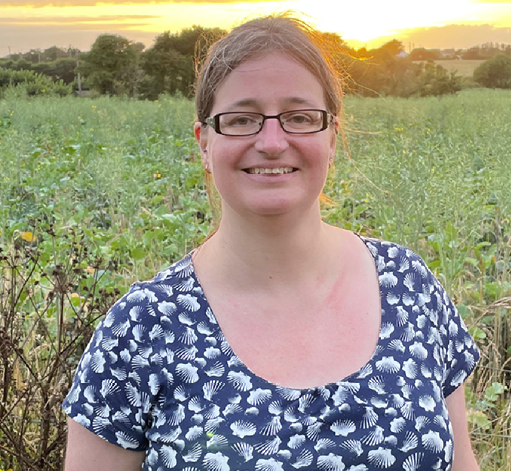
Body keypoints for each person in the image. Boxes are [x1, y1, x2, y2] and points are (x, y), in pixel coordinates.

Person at [63, 14, 481, 471]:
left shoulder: (410, 287)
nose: (273, 142)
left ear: (332, 137)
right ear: (204, 143)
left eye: (299, 117)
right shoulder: (141, 328)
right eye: (242, 119)